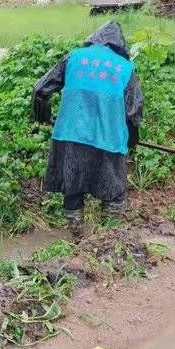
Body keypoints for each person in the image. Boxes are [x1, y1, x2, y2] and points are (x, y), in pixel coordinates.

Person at [32, 21, 144, 237]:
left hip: (70, 135)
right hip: (108, 139)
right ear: (120, 46)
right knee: (113, 191)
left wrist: (43, 118)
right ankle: (109, 240)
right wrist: (131, 141)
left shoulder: (74, 57)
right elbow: (134, 113)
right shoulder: (125, 68)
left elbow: (40, 90)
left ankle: (76, 238)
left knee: (72, 186)